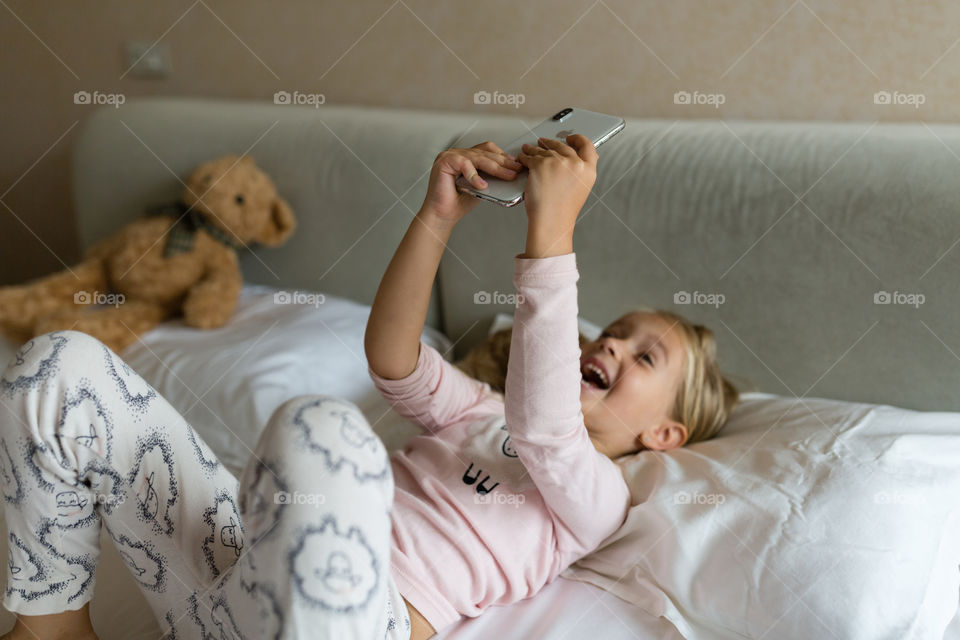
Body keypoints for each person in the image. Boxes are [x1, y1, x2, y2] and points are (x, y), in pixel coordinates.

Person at [0, 134, 736, 640]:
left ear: (663, 435)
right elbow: (392, 359)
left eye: (645, 357)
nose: (612, 341)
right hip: (231, 580)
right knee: (59, 364)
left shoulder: (600, 499)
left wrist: (553, 232)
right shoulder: (482, 411)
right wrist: (437, 214)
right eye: (617, 330)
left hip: (355, 617)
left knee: (320, 430)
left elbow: (547, 430)